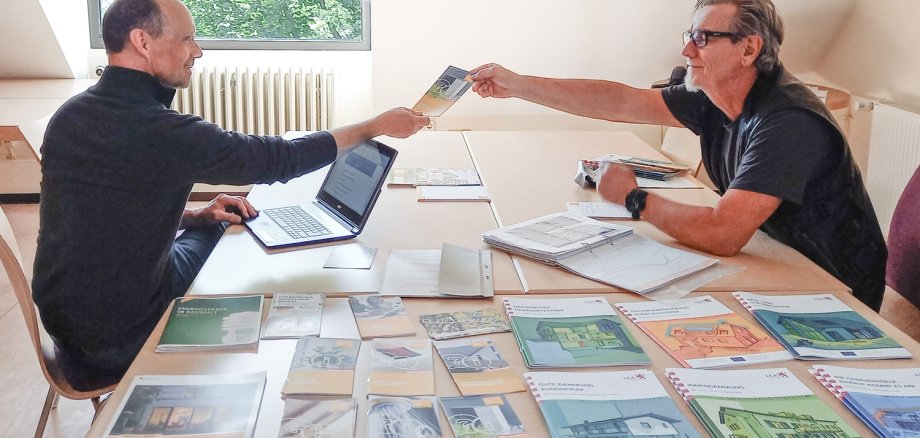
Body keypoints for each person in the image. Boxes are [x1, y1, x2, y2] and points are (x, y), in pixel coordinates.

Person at [32, 0, 429, 390]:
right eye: (187, 38)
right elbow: (278, 159)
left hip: (69, 327)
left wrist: (191, 217)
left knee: (226, 223)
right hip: (123, 335)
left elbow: (96, 207)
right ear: (142, 41)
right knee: (265, 292)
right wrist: (374, 126)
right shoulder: (161, 131)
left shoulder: (71, 115)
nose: (197, 51)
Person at [468, 0, 886, 311]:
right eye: (690, 37)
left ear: (749, 49)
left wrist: (635, 198)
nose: (688, 51)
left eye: (704, 38)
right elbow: (621, 101)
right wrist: (519, 85)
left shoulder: (789, 122)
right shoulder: (715, 92)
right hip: (770, 253)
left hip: (829, 286)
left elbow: (724, 234)